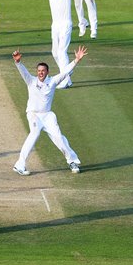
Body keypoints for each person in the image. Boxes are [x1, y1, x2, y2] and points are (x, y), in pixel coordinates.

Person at [11, 45, 88, 176]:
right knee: (34, 134)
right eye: (39, 70)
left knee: (59, 137)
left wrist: (76, 60)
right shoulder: (31, 81)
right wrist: (18, 62)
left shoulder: (52, 81)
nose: (40, 72)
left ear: (47, 72)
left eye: (43, 70)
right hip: (33, 114)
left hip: (47, 116)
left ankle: (72, 161)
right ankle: (20, 164)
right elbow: (23, 71)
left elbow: (64, 73)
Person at [40, 0, 76, 89]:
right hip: (55, 25)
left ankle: (65, 79)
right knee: (55, 52)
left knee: (62, 52)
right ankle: (67, 75)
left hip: (66, 24)